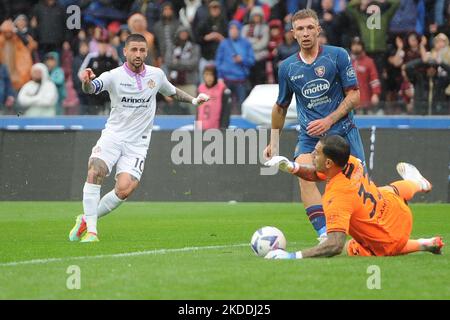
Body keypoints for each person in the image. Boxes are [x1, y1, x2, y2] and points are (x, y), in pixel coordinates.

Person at [68, 34, 209, 243]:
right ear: (124, 51)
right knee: (95, 169)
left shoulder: (156, 75)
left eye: (142, 50)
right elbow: (92, 88)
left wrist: (194, 100)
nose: (138, 54)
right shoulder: (114, 76)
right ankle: (92, 232)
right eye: (133, 50)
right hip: (113, 136)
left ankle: (87, 219)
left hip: (138, 144)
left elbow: (172, 91)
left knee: (124, 189)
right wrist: (87, 82)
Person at [264, 9, 365, 241]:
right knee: (303, 172)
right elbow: (280, 107)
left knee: (360, 192)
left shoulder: (337, 55)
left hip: (343, 133)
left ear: (318, 29)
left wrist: (329, 119)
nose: (306, 33)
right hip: (310, 138)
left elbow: (355, 96)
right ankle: (324, 234)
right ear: (293, 34)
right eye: (300, 29)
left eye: (310, 27)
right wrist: (274, 142)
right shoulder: (287, 68)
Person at [264, 135, 444, 259]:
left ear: (328, 162)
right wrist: (291, 167)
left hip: (391, 238)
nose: (312, 154)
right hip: (397, 210)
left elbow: (334, 245)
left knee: (352, 247)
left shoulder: (335, 198)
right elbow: (318, 173)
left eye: (316, 152)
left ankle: (420, 244)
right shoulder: (352, 162)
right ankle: (419, 184)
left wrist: (292, 256)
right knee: (388, 190)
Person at [215, 20, 255, 114]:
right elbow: (218, 61)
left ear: (239, 30)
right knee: (224, 106)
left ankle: (242, 127)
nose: (233, 31)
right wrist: (219, 77)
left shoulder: (246, 44)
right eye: (231, 29)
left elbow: (252, 61)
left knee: (241, 106)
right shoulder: (224, 44)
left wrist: (242, 60)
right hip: (226, 80)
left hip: (240, 81)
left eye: (235, 29)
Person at [350, 37, 381, 114]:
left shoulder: (369, 61)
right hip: (349, 100)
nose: (356, 47)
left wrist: (375, 94)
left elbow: (374, 79)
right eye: (354, 45)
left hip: (365, 100)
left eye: (358, 44)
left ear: (362, 47)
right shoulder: (347, 61)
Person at [196, 64, 232, 129]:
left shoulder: (223, 89)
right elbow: (198, 111)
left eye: (211, 75)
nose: (208, 77)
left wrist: (223, 128)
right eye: (206, 74)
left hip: (217, 130)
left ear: (215, 75)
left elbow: (226, 112)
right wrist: (197, 129)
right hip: (201, 130)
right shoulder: (200, 89)